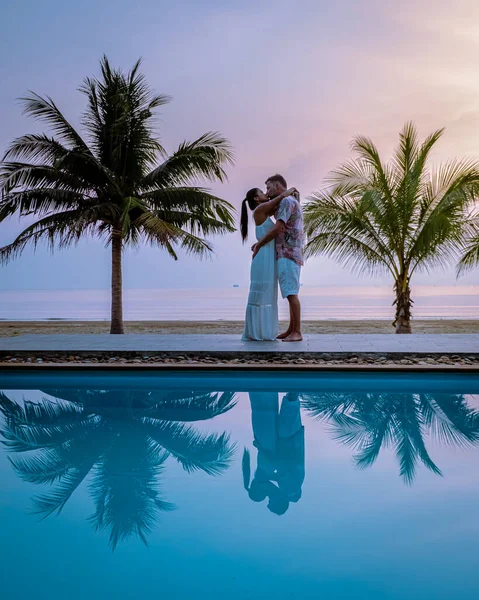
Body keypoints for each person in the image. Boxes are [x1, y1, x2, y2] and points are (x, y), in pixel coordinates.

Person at [241, 186, 298, 341]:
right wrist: (288, 190)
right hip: (263, 257)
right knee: (261, 294)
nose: (265, 193)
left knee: (268, 294)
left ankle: (264, 331)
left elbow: (281, 209)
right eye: (262, 192)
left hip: (268, 255)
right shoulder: (260, 209)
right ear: (256, 198)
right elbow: (279, 199)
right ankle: (257, 332)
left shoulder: (264, 210)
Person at [252, 174, 304, 342]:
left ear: (277, 186)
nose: (267, 192)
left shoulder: (287, 202)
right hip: (289, 252)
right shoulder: (287, 201)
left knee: (291, 294)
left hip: (287, 252)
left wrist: (259, 244)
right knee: (290, 292)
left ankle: (297, 332)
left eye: (268, 188)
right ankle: (291, 330)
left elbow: (278, 229)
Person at [242, 391, 305, 515]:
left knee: (283, 402)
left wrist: (262, 481)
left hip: (286, 439)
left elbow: (278, 469)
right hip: (288, 441)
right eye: (271, 501)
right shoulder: (290, 489)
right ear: (278, 502)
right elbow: (283, 463)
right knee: (281, 402)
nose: (269, 497)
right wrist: (261, 451)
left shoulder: (285, 487)